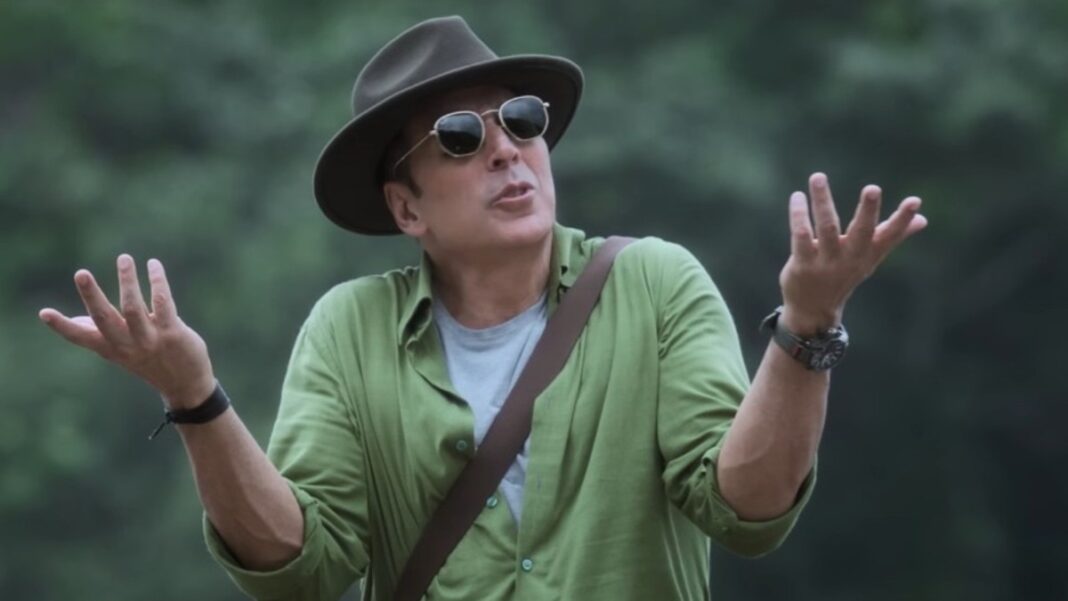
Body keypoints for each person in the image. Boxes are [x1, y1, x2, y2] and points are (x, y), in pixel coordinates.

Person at [37, 15, 928, 601]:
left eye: (523, 120)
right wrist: (195, 398)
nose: (506, 149)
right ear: (406, 208)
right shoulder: (348, 331)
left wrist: (807, 326)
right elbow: (298, 565)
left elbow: (750, 509)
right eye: (461, 137)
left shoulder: (657, 283)